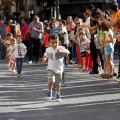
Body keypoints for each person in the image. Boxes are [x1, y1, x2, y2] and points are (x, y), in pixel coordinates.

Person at [42, 34, 70, 100]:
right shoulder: (48, 50)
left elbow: (68, 51)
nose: (54, 44)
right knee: (51, 80)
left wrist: (62, 51)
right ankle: (49, 91)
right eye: (52, 43)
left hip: (59, 69)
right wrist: (44, 59)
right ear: (49, 43)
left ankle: (58, 93)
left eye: (56, 42)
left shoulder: (61, 48)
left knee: (58, 83)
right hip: (50, 68)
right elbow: (45, 55)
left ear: (59, 42)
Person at [99, 1, 120, 81]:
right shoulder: (114, 15)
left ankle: (115, 74)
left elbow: (111, 24)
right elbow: (108, 24)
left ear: (110, 9)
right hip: (118, 38)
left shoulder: (118, 14)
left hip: (117, 38)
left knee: (110, 59)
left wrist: (103, 18)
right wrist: (103, 18)